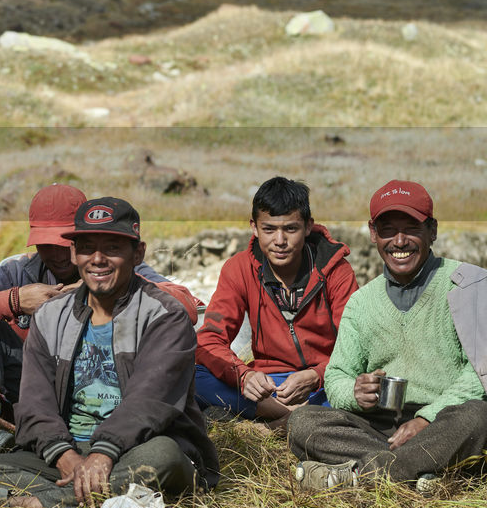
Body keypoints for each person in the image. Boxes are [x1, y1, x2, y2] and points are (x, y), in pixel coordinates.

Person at [0, 197, 219, 508]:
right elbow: (33, 404)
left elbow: (150, 402)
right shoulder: (51, 315)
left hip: (140, 446)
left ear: (138, 254)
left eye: (112, 248)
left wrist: (103, 454)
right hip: (72, 450)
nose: (97, 259)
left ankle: (40, 506)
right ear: (74, 253)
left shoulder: (164, 315)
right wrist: (64, 455)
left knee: (163, 457)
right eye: (86, 248)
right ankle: (83, 499)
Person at [0, 183, 192, 452]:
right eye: (45, 244)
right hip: (38, 384)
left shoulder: (116, 264)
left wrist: (102, 287)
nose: (55, 254)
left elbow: (186, 304)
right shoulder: (18, 269)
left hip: (108, 386)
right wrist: (15, 300)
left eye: (62, 243)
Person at [288, 180, 487, 490]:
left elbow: (480, 372)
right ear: (372, 234)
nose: (399, 241)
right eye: (388, 230)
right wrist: (355, 393)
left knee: (478, 416)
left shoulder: (469, 285)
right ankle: (419, 472)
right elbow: (338, 375)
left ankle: (359, 476)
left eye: (411, 229)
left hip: (444, 419)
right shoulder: (362, 302)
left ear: (432, 230)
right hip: (382, 427)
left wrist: (427, 418)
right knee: (302, 423)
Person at [195, 176, 358, 428]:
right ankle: (283, 416)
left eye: (290, 229)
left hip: (322, 384)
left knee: (359, 391)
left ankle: (271, 424)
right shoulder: (238, 269)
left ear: (307, 226)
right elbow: (209, 339)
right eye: (269, 229)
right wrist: (243, 375)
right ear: (254, 228)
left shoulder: (336, 271)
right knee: (190, 376)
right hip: (268, 385)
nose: (279, 241)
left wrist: (316, 375)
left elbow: (355, 347)